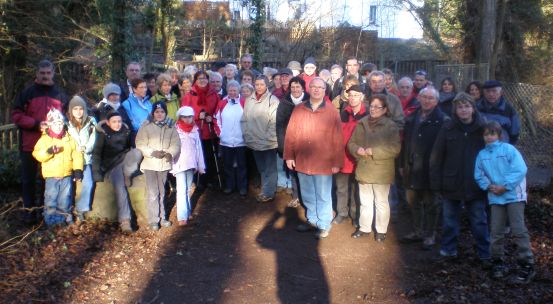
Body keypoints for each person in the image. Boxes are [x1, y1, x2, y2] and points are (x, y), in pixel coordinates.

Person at [430, 92, 491, 264]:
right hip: (451, 182)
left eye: (466, 106)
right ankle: (448, 250)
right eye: (459, 107)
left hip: (476, 183)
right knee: (449, 221)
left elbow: (493, 153)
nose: (463, 110)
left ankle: (484, 252)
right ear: (455, 110)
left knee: (479, 221)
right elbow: (436, 156)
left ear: (473, 108)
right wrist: (436, 183)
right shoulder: (448, 127)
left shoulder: (482, 129)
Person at [474, 121, 535, 284]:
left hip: (514, 195)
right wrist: (488, 186)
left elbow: (520, 169)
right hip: (495, 197)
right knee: (496, 231)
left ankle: (527, 264)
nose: (489, 136)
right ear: (483, 136)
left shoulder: (509, 150)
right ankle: (497, 262)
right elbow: (479, 174)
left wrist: (505, 186)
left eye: (492, 133)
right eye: (486, 134)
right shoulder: (481, 155)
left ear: (499, 135)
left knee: (518, 229)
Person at [284, 78, 344, 239]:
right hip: (303, 160)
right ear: (309, 88)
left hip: (324, 162)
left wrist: (337, 163)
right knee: (308, 193)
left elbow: (338, 139)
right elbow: (291, 134)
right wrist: (289, 156)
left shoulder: (332, 112)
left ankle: (324, 224)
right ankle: (312, 220)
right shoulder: (299, 109)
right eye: (314, 87)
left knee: (323, 195)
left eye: (321, 87)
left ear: (325, 90)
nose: (317, 89)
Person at [11, 59, 68, 224]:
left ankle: (46, 211)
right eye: (42, 73)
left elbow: (66, 118)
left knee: (47, 180)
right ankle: (29, 212)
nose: (45, 76)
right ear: (37, 74)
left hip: (52, 146)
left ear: (53, 74)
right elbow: (16, 116)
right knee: (28, 180)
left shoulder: (60, 94)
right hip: (29, 144)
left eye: (48, 73)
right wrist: (36, 124)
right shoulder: (27, 93)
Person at [400, 87, 448, 249]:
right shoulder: (412, 117)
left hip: (430, 169)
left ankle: (430, 234)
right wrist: (403, 163)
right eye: (424, 97)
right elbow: (405, 142)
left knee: (431, 203)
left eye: (431, 98)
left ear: (436, 101)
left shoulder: (443, 120)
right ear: (419, 98)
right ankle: (417, 230)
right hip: (412, 167)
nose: (427, 101)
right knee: (413, 202)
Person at [348, 94, 401, 242]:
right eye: (372, 106)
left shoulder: (391, 125)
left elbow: (395, 148)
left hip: (381, 170)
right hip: (364, 168)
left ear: (385, 109)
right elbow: (351, 143)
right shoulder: (362, 123)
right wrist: (356, 149)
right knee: (365, 201)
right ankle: (364, 228)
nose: (374, 109)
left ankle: (381, 230)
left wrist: (374, 151)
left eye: (378, 107)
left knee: (381, 202)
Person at [33, 109, 83, 226]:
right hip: (52, 177)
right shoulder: (44, 140)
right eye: (55, 123)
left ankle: (63, 222)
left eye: (60, 123)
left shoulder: (69, 138)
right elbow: (37, 154)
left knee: (65, 200)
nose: (58, 126)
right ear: (50, 125)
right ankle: (51, 224)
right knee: (51, 201)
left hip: (66, 175)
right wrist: (49, 152)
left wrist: (78, 170)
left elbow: (77, 154)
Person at [136, 101, 180, 231]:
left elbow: (176, 143)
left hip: (164, 164)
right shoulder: (146, 126)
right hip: (150, 163)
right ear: (153, 113)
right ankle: (153, 219)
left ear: (165, 113)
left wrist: (170, 154)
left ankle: (163, 216)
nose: (159, 114)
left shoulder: (170, 127)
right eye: (157, 112)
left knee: (162, 191)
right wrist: (151, 152)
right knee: (153, 192)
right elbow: (139, 142)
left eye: (162, 112)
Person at [92, 111, 137, 232]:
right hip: (112, 166)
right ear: (108, 122)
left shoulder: (126, 131)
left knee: (137, 152)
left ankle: (128, 173)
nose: (117, 124)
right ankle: (125, 221)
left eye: (119, 121)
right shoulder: (103, 134)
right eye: (114, 122)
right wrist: (96, 173)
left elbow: (131, 147)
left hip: (124, 161)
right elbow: (96, 154)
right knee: (120, 187)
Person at [241, 75, 280, 202]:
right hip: (253, 141)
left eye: (262, 84)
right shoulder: (249, 100)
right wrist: (247, 135)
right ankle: (265, 188)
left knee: (270, 167)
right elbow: (244, 119)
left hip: (267, 142)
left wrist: (267, 139)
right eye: (257, 84)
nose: (259, 87)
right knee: (261, 167)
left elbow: (274, 122)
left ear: (267, 85)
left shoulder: (272, 100)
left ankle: (268, 192)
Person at [333, 85, 368, 227]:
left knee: (355, 189)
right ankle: (342, 213)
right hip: (343, 156)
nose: (353, 98)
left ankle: (354, 214)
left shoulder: (367, 115)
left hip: (358, 158)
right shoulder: (343, 113)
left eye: (356, 95)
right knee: (341, 188)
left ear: (362, 97)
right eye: (350, 95)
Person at [180, 70, 221, 189]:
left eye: (204, 78)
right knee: (197, 155)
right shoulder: (189, 95)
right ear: (195, 80)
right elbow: (184, 113)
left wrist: (210, 118)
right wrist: (198, 116)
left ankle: (210, 178)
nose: (202, 80)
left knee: (210, 155)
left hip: (210, 130)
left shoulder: (214, 94)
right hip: (195, 131)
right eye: (199, 78)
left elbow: (218, 112)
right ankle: (199, 180)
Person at [276, 76, 310, 207]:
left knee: (306, 172)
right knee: (294, 172)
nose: (295, 89)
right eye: (293, 87)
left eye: (298, 87)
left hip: (307, 144)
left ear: (303, 88)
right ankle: (296, 196)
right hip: (290, 143)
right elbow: (279, 125)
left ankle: (307, 198)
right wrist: (282, 146)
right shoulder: (284, 103)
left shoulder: (309, 101)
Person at [172, 106, 205, 226]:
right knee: (181, 190)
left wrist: (201, 165)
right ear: (180, 117)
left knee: (187, 189)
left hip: (191, 164)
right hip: (179, 164)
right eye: (184, 117)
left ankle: (187, 211)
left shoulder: (195, 130)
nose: (187, 119)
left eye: (190, 116)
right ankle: (182, 216)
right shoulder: (175, 130)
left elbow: (198, 149)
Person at [214, 80, 248, 196]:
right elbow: (216, 119)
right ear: (227, 91)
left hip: (241, 141)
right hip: (226, 141)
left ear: (239, 91)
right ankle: (229, 186)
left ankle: (242, 187)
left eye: (234, 90)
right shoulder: (222, 103)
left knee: (242, 165)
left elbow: (249, 119)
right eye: (230, 90)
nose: (232, 92)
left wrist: (246, 134)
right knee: (227, 165)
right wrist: (221, 134)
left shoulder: (244, 103)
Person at [66, 96, 97, 222]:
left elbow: (94, 137)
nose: (78, 112)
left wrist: (86, 148)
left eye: (81, 109)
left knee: (88, 183)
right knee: (68, 187)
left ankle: (81, 210)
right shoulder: (65, 123)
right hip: (70, 160)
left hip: (86, 158)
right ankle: (67, 211)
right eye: (75, 109)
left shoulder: (91, 121)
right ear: (70, 110)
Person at [477, 80, 521, 144]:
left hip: (501, 147)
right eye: (488, 91)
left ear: (501, 92)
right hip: (481, 146)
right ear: (483, 93)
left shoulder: (509, 110)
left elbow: (514, 132)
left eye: (494, 91)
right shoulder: (477, 107)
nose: (491, 94)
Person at [121, 78, 152, 144]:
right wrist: (146, 125)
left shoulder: (148, 102)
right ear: (134, 89)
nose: (144, 90)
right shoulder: (127, 104)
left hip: (153, 135)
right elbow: (132, 125)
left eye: (145, 87)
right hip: (139, 138)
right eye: (141, 87)